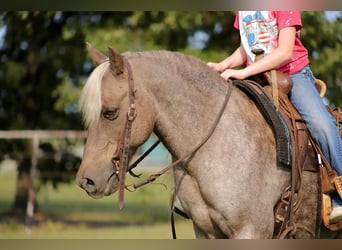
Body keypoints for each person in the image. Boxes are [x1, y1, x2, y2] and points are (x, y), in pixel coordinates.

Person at [208, 11, 342, 223]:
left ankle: (339, 191)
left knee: (322, 125)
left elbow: (285, 52)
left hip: (293, 74)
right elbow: (247, 47)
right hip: (258, 75)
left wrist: (243, 72)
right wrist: (223, 65)